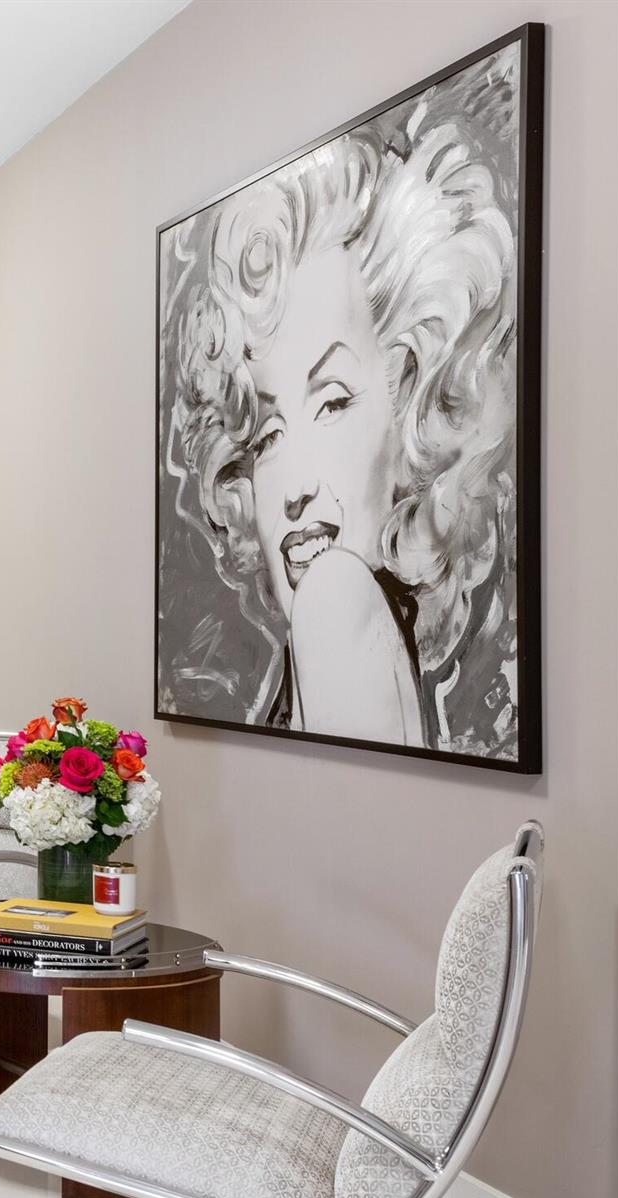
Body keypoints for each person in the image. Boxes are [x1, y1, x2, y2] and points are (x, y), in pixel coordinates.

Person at [163, 56, 519, 752]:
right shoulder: (352, 628)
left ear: (414, 409)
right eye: (267, 435)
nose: (293, 488)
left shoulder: (335, 601)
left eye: (331, 404)